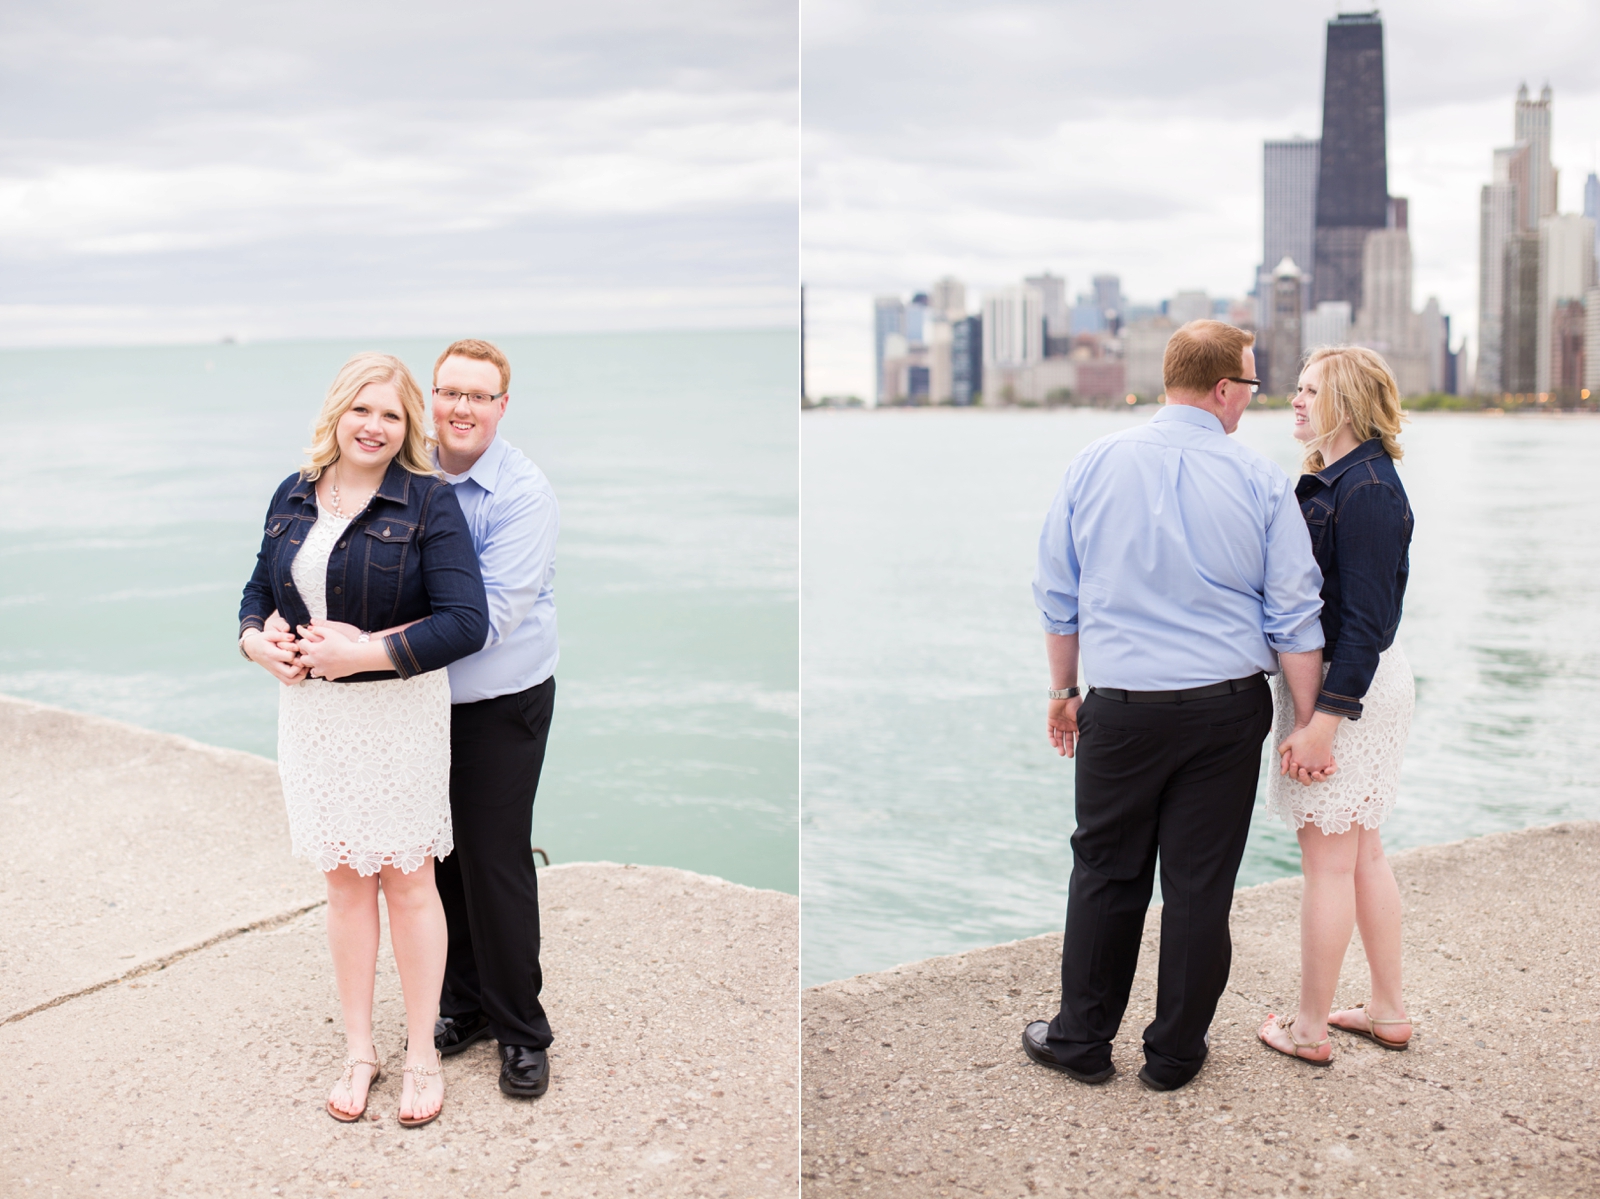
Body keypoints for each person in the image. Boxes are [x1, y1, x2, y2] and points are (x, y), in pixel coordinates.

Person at [1021, 320, 1330, 1092]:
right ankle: (1173, 1057)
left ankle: (1082, 1041)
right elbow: (1294, 615)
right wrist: (1309, 722)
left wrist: (1064, 692)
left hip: (1121, 711)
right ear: (1224, 388)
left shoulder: (1093, 463)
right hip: (1225, 713)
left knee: (1105, 870)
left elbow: (1058, 595)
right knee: (1200, 885)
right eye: (1251, 387)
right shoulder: (1260, 481)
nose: (1250, 403)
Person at [239, 352, 489, 1128]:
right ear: (337, 413)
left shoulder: (429, 503)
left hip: (398, 714)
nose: (374, 426)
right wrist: (257, 643)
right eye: (362, 409)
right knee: (345, 880)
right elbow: (256, 591)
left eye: (391, 414)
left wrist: (363, 653)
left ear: (408, 425)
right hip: (313, 717)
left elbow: (465, 621)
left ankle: (420, 1051)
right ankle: (360, 1049)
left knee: (410, 879)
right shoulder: (294, 490)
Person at [1257, 346, 1416, 1065]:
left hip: (1348, 690)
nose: (1294, 398)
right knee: (1362, 849)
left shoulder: (1369, 488)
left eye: (1309, 388)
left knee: (1328, 861)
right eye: (1295, 387)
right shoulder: (1332, 479)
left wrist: (1322, 721)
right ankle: (1387, 1010)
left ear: (1345, 402)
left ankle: (1310, 1027)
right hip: (1348, 686)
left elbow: (1367, 621)